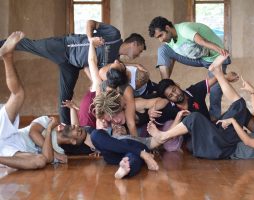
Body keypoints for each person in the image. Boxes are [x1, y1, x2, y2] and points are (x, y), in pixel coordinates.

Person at [147, 55, 254, 159]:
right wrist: (253, 93)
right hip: (221, 139)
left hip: (225, 148)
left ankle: (163, 136)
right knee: (241, 106)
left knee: (195, 117)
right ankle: (217, 72)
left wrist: (233, 121)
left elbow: (247, 141)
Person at [0, 20, 146, 125]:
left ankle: (65, 128)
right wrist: (90, 39)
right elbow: (90, 23)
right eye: (139, 51)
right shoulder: (114, 35)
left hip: (72, 65)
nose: (138, 54)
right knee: (32, 45)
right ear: (134, 43)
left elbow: (92, 67)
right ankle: (4, 46)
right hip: (65, 47)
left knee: (65, 98)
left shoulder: (114, 62)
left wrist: (94, 84)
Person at [148, 16, 231, 120]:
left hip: (214, 58)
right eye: (158, 38)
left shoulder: (184, 29)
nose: (161, 39)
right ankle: (164, 87)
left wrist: (221, 51)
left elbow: (202, 41)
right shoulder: (169, 40)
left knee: (215, 88)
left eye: (161, 35)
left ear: (167, 28)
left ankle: (214, 116)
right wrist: (167, 83)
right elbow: (172, 57)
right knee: (163, 50)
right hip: (198, 58)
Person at [0, 31, 52, 169]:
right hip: (7, 136)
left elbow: (41, 160)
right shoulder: (45, 122)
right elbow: (43, 158)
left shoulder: (57, 149)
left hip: (7, 148)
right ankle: (7, 56)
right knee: (18, 95)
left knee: (18, 94)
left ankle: (7, 56)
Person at [90, 89, 159, 179]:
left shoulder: (134, 106)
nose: (116, 121)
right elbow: (100, 138)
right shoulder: (105, 119)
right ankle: (140, 154)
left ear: (122, 107)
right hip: (113, 150)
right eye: (111, 119)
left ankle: (125, 170)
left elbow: (162, 101)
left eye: (116, 114)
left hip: (131, 150)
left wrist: (152, 111)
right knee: (95, 135)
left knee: (133, 156)